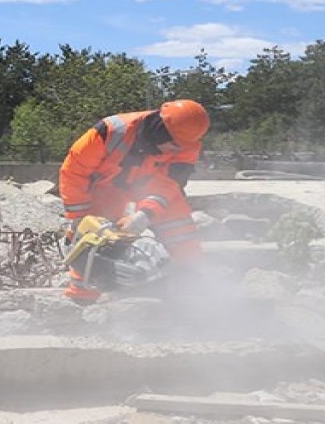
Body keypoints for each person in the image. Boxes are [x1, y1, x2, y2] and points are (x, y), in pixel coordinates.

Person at [57, 100, 210, 304]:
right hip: (106, 185)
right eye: (173, 144)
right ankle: (82, 295)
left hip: (148, 185)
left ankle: (192, 287)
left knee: (178, 222)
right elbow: (74, 170)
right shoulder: (111, 130)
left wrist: (145, 213)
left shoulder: (187, 142)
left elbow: (170, 183)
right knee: (94, 232)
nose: (175, 150)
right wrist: (78, 217)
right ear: (160, 130)